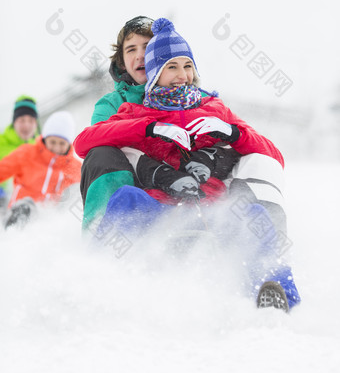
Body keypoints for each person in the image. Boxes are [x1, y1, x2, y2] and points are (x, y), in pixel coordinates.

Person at [74, 18, 301, 312]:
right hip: (161, 207)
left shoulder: (213, 107)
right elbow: (86, 142)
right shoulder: (132, 110)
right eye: (171, 66)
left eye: (187, 66)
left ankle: (274, 294)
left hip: (211, 207)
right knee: (126, 199)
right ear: (155, 72)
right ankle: (95, 284)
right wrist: (149, 130)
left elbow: (272, 155)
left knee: (251, 215)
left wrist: (229, 136)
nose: (182, 75)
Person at [80, 16, 155, 228]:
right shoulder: (110, 104)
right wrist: (146, 129)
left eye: (147, 47)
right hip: (132, 190)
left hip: (176, 191)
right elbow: (92, 140)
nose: (140, 55)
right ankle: (104, 230)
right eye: (131, 49)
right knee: (101, 153)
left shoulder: (186, 98)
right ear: (121, 61)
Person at [0, 111, 82, 228]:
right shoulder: (27, 153)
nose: (56, 148)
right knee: (26, 206)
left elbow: (76, 196)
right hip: (19, 213)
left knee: (74, 192)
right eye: (52, 142)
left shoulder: (74, 167)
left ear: (69, 144)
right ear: (45, 139)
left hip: (49, 222)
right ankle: (14, 238)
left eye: (62, 143)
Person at [0, 95, 39, 210]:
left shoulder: (41, 147)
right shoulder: (1, 144)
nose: (26, 125)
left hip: (35, 204)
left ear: (36, 124)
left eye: (31, 120)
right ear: (14, 123)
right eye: (22, 120)